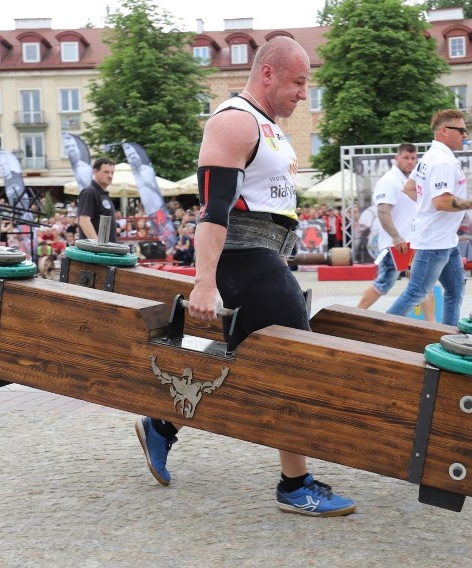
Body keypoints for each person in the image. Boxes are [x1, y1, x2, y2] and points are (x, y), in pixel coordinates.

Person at [134, 37, 355, 517]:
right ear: (269, 73)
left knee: (240, 360)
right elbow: (214, 211)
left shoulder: (268, 126)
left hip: (265, 256)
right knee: (293, 361)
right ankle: (295, 485)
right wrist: (205, 282)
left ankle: (162, 424)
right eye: (298, 82)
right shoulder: (235, 121)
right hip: (243, 256)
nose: (303, 93)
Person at [385, 109, 472, 326]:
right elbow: (441, 201)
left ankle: (448, 336)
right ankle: (374, 331)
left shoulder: (431, 156)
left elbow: (409, 187)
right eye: (462, 130)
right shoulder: (442, 161)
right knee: (416, 292)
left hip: (444, 239)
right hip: (434, 240)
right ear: (444, 131)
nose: (465, 135)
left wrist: (427, 208)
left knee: (455, 290)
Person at [356, 143, 435, 321]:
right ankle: (356, 314)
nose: (410, 162)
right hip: (395, 245)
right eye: (406, 158)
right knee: (384, 282)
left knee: (424, 283)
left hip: (413, 242)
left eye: (413, 158)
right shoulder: (389, 180)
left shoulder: (413, 181)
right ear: (397, 158)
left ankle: (433, 325)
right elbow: (383, 211)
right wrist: (396, 237)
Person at [76, 158, 116, 242]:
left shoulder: (103, 194)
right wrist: (99, 246)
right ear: (95, 172)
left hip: (104, 249)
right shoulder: (89, 192)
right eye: (106, 172)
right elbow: (84, 221)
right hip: (94, 252)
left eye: (112, 172)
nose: (110, 176)